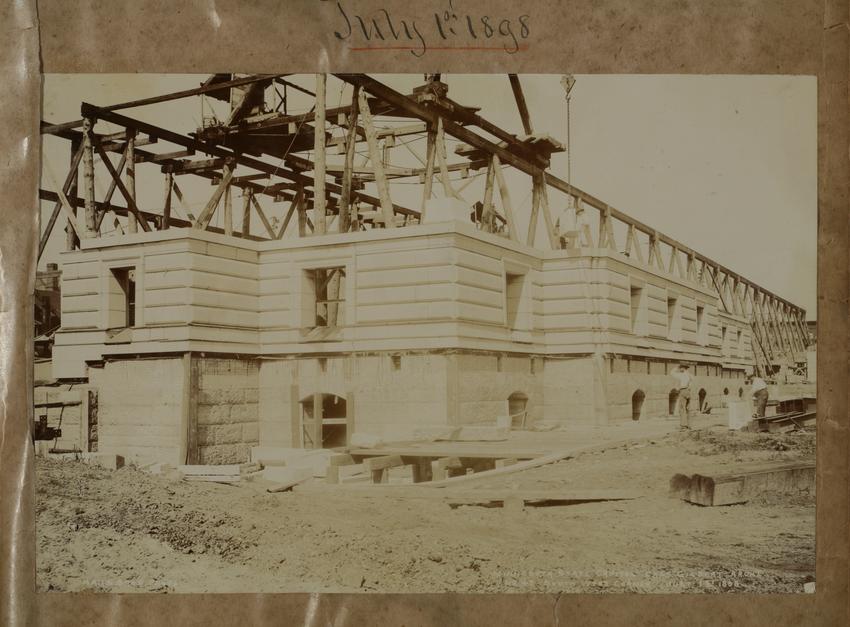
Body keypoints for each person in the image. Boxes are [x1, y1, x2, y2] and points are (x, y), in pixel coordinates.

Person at [671, 364, 692, 429]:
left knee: (682, 408)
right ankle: (689, 424)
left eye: (680, 368)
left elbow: (672, 373)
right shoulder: (690, 375)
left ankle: (683, 425)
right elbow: (691, 383)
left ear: (683, 368)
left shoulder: (681, 375)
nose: (680, 369)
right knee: (687, 409)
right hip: (688, 392)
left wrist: (676, 367)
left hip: (683, 390)